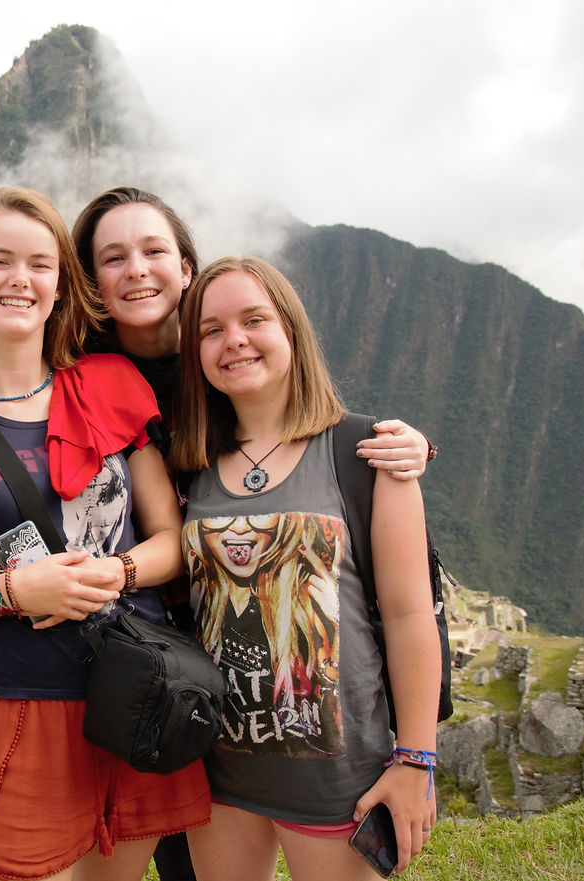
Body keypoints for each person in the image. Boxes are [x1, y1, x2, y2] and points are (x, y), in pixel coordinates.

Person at [0, 187, 435, 881]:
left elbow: (286, 475)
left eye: (40, 264)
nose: (136, 269)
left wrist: (399, 448)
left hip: (170, 682)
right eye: (113, 257)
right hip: (91, 698)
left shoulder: (134, 388)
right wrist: (10, 587)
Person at [0, 185, 210, 881]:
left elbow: (171, 539)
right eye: (0, 260)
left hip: (135, 686)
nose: (20, 279)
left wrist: (118, 571)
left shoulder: (111, 385)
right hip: (24, 699)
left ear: (62, 284)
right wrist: (13, 590)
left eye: (40, 264)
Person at [170, 256, 440, 881]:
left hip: (339, 783)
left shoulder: (366, 453)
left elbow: (409, 614)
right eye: (211, 330)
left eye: (253, 320)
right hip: (218, 773)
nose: (234, 340)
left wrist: (416, 760)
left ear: (290, 329)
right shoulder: (187, 464)